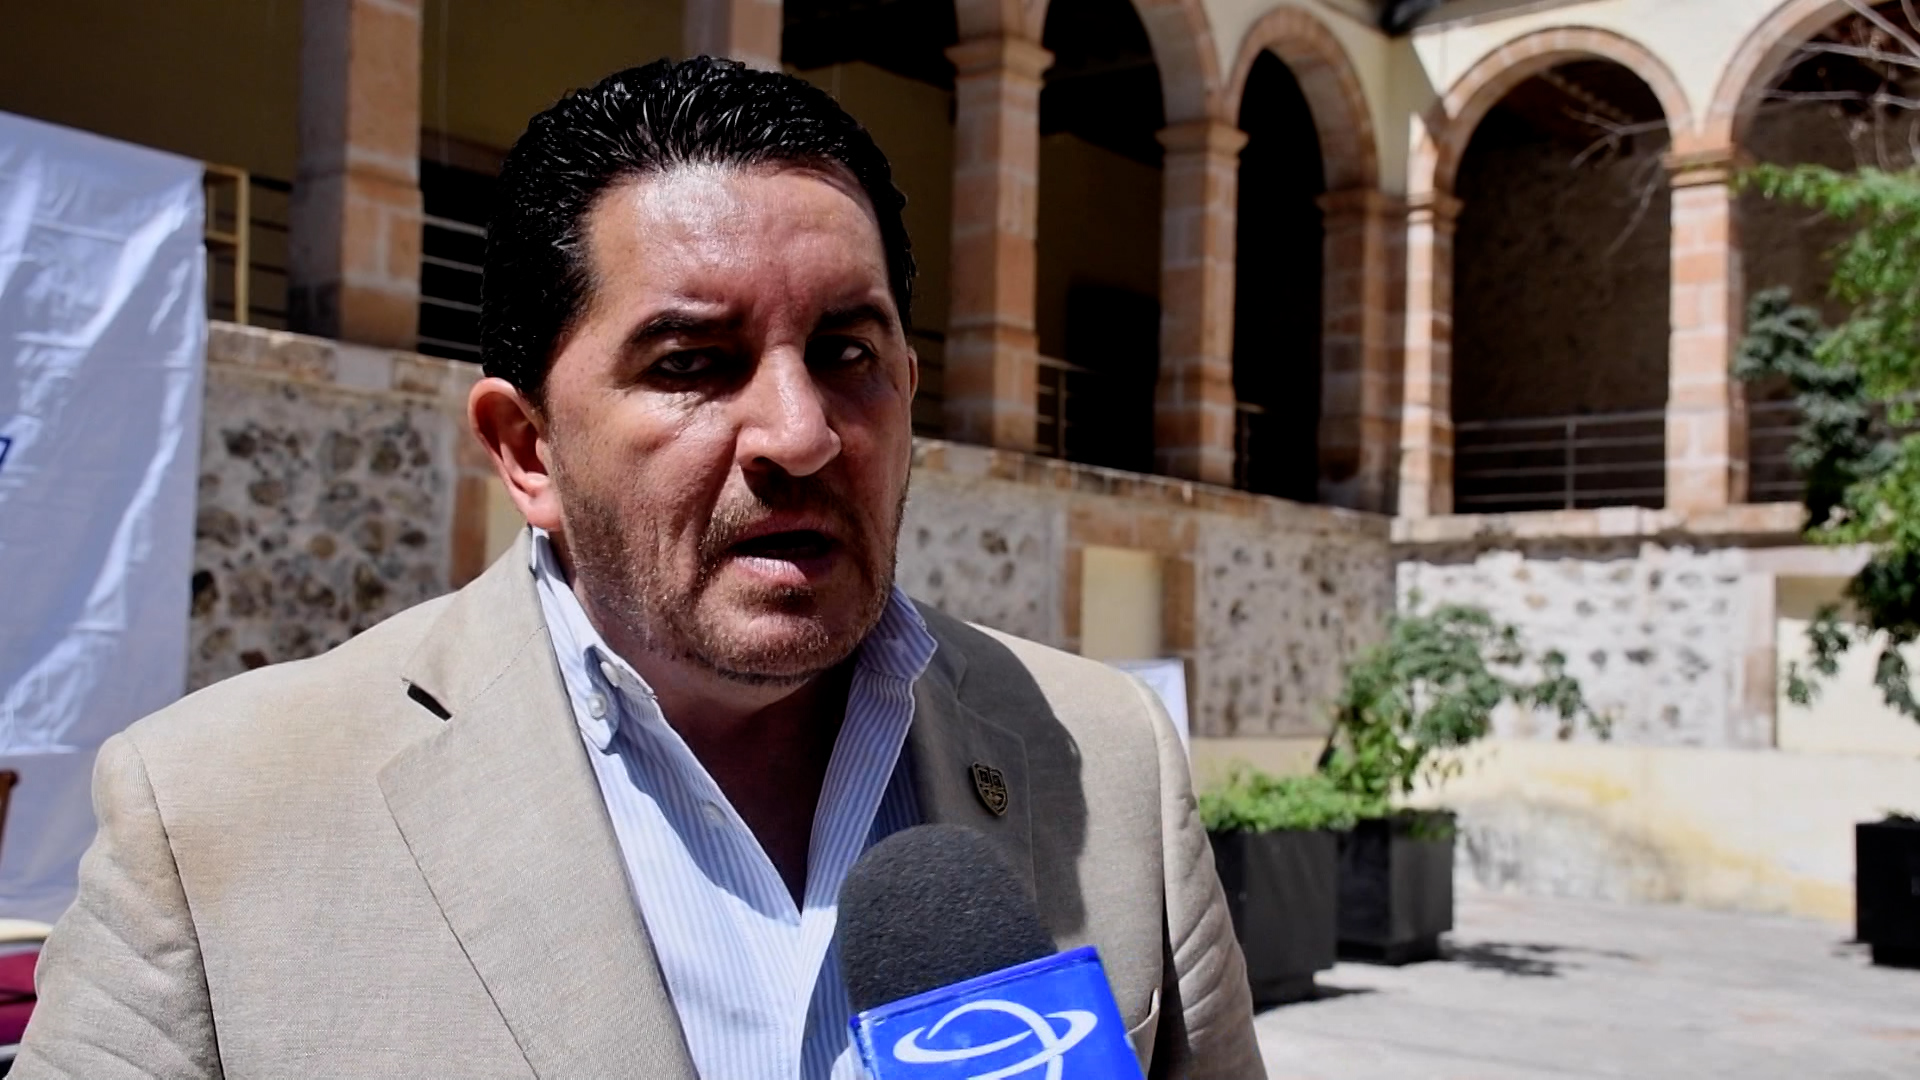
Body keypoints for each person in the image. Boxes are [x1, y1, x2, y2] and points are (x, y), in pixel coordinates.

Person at [16, 58, 1262, 1079]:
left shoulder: (1104, 757)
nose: (801, 434)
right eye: (691, 364)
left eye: (847, 352)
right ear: (528, 450)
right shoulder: (214, 817)